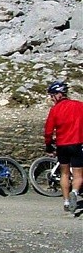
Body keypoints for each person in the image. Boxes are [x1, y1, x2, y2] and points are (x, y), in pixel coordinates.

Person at [43, 81, 83, 213]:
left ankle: (66, 202)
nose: (51, 99)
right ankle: (75, 192)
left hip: (62, 145)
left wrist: (48, 145)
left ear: (57, 95)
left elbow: (48, 131)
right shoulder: (79, 105)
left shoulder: (55, 110)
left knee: (64, 173)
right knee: (78, 174)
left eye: (52, 96)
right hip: (77, 143)